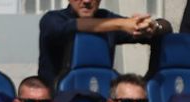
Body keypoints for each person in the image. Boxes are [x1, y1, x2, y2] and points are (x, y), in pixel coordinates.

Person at [38, 0, 171, 85]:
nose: (86, 1)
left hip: (102, 101)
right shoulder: (52, 19)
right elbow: (68, 27)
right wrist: (120, 25)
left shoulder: (107, 18)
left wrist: (152, 26)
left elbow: (166, 27)